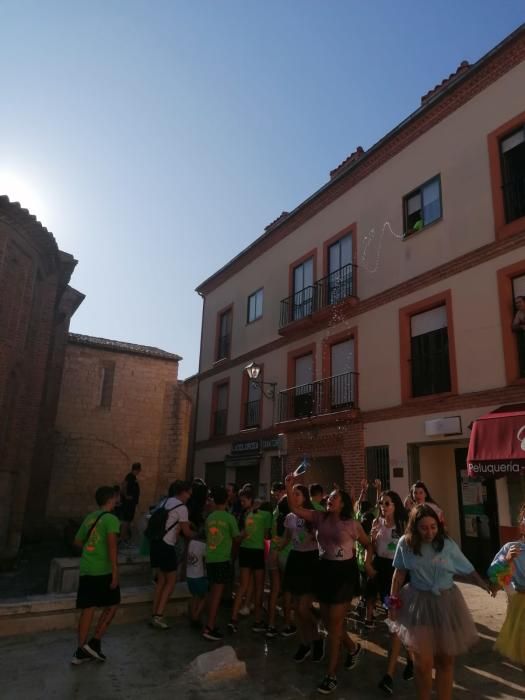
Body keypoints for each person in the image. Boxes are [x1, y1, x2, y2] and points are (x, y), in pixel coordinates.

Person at [387, 504, 492, 700]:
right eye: (424, 528)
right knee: (423, 664)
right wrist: (391, 603)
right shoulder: (405, 544)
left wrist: (485, 585)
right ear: (414, 527)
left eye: (433, 527)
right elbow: (399, 574)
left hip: (447, 603)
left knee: (445, 662)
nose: (429, 532)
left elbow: (467, 570)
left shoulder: (447, 544)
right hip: (417, 603)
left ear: (439, 525)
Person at [286, 473, 374, 696]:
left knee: (333, 627)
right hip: (323, 570)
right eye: (329, 497)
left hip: (343, 574)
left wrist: (369, 565)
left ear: (343, 503)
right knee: (329, 622)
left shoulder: (352, 524)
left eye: (334, 497)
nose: (329, 500)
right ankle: (353, 649)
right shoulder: (319, 517)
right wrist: (289, 487)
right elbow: (296, 510)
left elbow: (368, 544)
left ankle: (331, 675)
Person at [71, 486, 121, 665]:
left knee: (88, 608)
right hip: (103, 569)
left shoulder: (90, 517)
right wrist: (115, 572)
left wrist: (90, 549)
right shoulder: (111, 519)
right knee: (113, 604)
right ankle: (95, 641)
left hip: (87, 567)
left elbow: (77, 541)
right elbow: (112, 547)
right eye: (116, 498)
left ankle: (80, 650)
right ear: (110, 499)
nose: (117, 500)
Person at [371, 491, 412, 695]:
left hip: (401, 576)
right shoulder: (377, 523)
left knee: (394, 623)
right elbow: (374, 547)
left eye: (387, 503)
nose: (383, 506)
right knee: (396, 620)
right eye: (381, 503)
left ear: (395, 505)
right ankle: (411, 660)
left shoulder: (404, 525)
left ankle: (389, 674)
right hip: (384, 574)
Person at [280, 483, 324, 663]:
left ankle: (318, 638)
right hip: (295, 560)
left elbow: (322, 537)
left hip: (311, 560)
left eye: (297, 494)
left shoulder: (312, 516)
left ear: (305, 497)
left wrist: (316, 535)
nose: (295, 496)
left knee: (302, 607)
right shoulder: (290, 518)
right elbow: (287, 538)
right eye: (292, 494)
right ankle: (305, 642)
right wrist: (277, 547)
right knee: (295, 608)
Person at [150, 480, 194, 629]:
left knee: (161, 580)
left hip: (155, 543)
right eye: (189, 493)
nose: (189, 496)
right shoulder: (182, 508)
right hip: (167, 546)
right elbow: (187, 532)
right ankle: (159, 615)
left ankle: (154, 613)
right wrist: (199, 534)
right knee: (171, 581)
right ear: (183, 492)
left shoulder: (165, 502)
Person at [229, 487, 272, 633]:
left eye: (243, 501)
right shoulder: (266, 515)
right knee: (259, 588)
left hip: (245, 550)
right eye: (241, 501)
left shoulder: (245, 514)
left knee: (242, 586)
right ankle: (258, 621)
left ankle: (233, 619)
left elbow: (241, 533)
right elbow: (267, 536)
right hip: (257, 552)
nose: (241, 503)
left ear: (251, 501)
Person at [489, 502, 525, 667]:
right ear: (521, 525)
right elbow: (495, 578)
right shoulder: (511, 548)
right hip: (520, 607)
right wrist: (507, 561)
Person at [203, 486, 240, 641]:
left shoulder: (210, 518)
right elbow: (236, 538)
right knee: (217, 596)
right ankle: (209, 627)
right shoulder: (229, 518)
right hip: (222, 559)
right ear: (227, 499)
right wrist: (244, 534)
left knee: (212, 593)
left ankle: (210, 623)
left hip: (210, 559)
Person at [266, 494, 294, 638]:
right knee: (288, 591)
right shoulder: (291, 519)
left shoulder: (275, 516)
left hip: (272, 554)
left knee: (274, 590)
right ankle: (287, 623)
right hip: (285, 555)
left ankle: (270, 625)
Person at [186, 529, 208, 628]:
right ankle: (195, 617)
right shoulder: (204, 546)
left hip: (189, 575)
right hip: (198, 576)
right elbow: (207, 558)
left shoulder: (191, 542)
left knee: (194, 596)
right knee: (203, 596)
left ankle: (192, 614)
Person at [119, 462, 142, 544]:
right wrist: (126, 496)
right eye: (139, 470)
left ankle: (124, 538)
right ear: (137, 469)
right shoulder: (130, 476)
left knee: (128, 520)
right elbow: (123, 485)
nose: (139, 472)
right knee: (126, 520)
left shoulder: (133, 477)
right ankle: (122, 539)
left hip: (131, 503)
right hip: (128, 503)